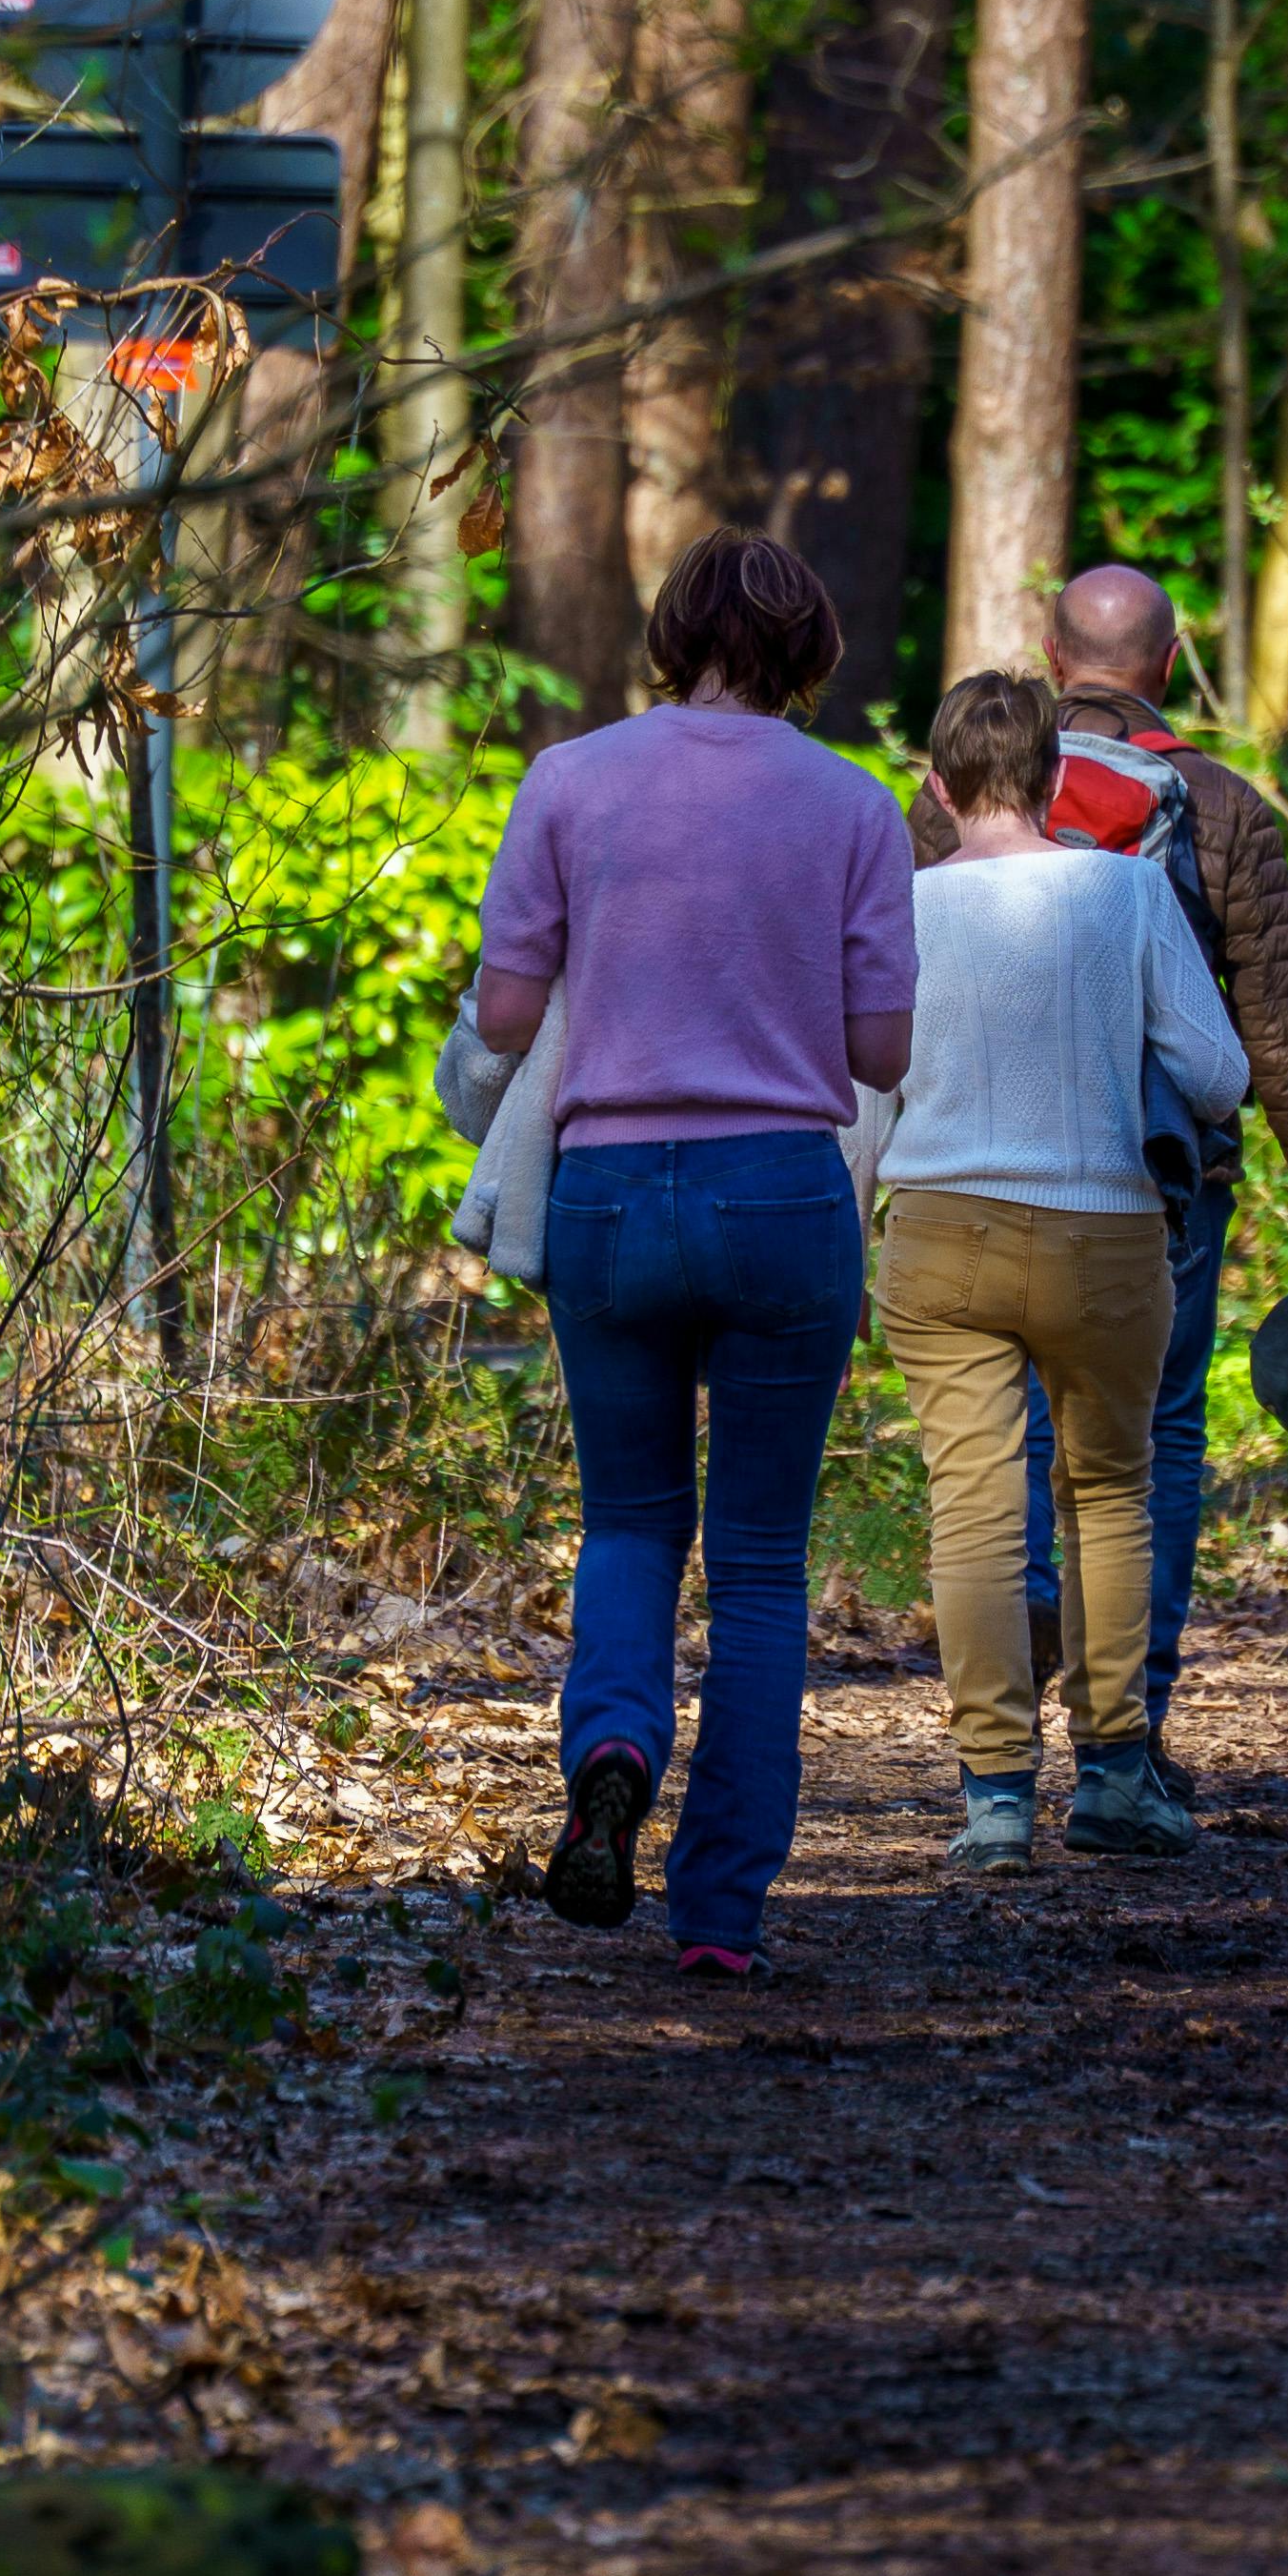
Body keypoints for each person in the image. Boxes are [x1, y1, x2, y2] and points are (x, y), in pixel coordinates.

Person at [473, 526, 916, 1980]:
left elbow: (502, 1017)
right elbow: (880, 1050)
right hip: (782, 1197)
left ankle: (610, 1745)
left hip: (607, 1193)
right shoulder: (852, 806)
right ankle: (720, 1913)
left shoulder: (570, 779)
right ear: (809, 657)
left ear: (672, 636)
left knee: (630, 1525)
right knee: (767, 1567)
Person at [912, 557, 1288, 1804]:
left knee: (995, 1458)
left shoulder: (946, 802)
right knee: (1149, 1449)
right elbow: (1280, 1033)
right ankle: (1128, 1744)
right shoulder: (1218, 808)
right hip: (1154, 1186)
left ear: (1055, 662)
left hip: (964, 1186)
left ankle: (1023, 1660)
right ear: (1165, 665)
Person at [878, 669, 1253, 1876]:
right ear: (1053, 779)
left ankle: (993, 1799)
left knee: (973, 1509)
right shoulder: (1127, 891)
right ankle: (1111, 1778)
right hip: (1104, 1231)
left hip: (937, 1232)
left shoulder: (901, 907)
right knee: (1106, 1493)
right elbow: (1218, 1073)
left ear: (938, 788)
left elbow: (859, 1085)